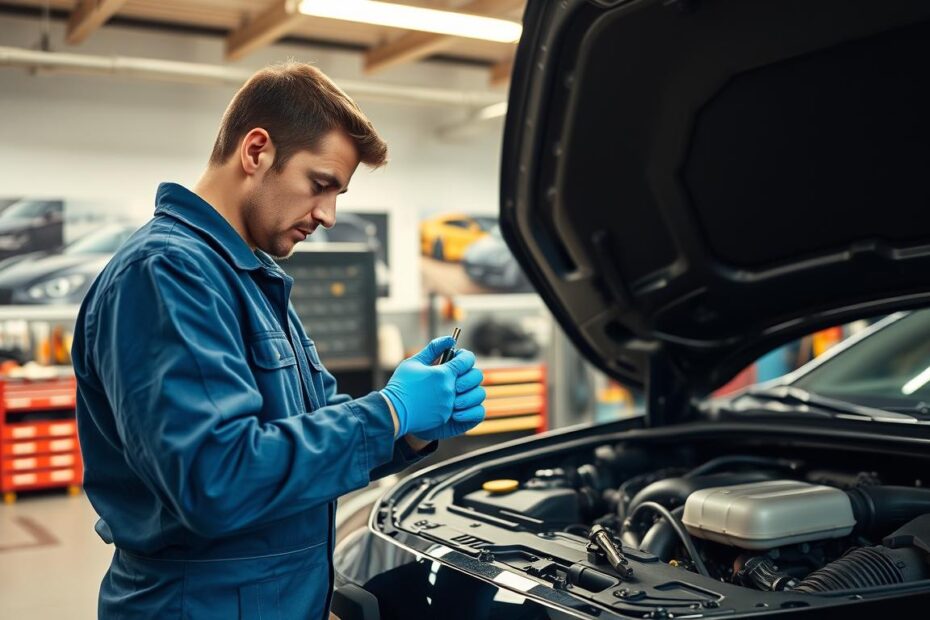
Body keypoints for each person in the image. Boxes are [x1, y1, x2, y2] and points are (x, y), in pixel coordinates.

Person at [71, 62, 486, 619]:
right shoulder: (166, 275)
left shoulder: (248, 279)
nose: (330, 215)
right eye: (320, 185)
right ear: (256, 151)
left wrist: (407, 433)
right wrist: (388, 413)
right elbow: (213, 479)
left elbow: (301, 435)